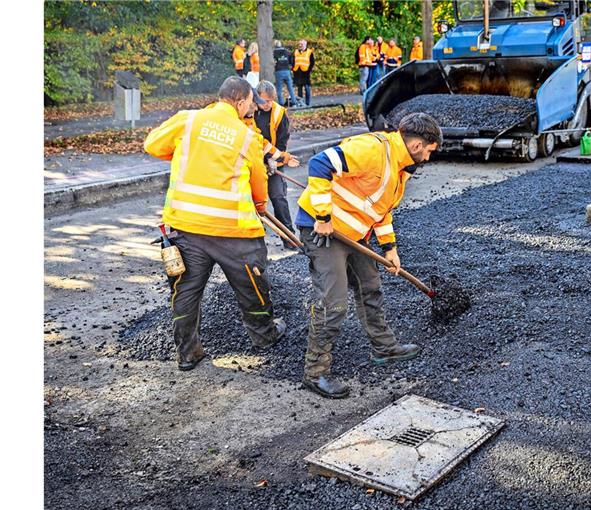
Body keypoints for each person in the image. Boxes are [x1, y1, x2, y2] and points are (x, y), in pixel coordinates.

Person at [294, 113, 443, 399]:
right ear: (417, 145)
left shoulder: (400, 168)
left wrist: (390, 249)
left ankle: (384, 347)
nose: (426, 158)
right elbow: (320, 163)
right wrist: (323, 216)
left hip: (355, 234)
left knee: (370, 287)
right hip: (324, 231)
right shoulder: (374, 149)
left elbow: (381, 210)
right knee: (333, 302)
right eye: (428, 151)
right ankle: (315, 373)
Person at [143, 76, 287, 371]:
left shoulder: (188, 121)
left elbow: (152, 145)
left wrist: (186, 154)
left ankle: (187, 353)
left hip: (186, 228)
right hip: (234, 232)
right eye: (250, 102)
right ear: (240, 101)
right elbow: (259, 181)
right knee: (252, 286)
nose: (252, 107)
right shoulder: (244, 136)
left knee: (185, 291)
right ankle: (264, 335)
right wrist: (259, 205)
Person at [250, 80, 296, 249]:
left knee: (278, 196)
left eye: (270, 100)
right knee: (253, 201)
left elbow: (283, 140)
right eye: (264, 101)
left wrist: (275, 161)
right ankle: (256, 240)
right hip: (255, 161)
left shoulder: (279, 113)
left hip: (275, 159)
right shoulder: (251, 111)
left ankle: (288, 236)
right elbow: (252, 139)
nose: (267, 104)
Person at [274, 40, 298, 107]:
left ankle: (281, 103)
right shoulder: (286, 51)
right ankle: (294, 102)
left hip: (279, 71)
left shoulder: (274, 52)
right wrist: (291, 66)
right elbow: (292, 59)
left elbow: (272, 61)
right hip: (287, 71)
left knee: (279, 88)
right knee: (290, 87)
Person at [293, 39, 315, 107]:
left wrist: (309, 70)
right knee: (299, 88)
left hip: (305, 73)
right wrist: (293, 69)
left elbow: (312, 62)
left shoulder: (309, 52)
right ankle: (301, 103)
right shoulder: (296, 51)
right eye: (299, 44)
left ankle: (307, 103)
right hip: (297, 72)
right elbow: (292, 60)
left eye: (301, 44)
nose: (300, 45)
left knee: (307, 88)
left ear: (305, 45)